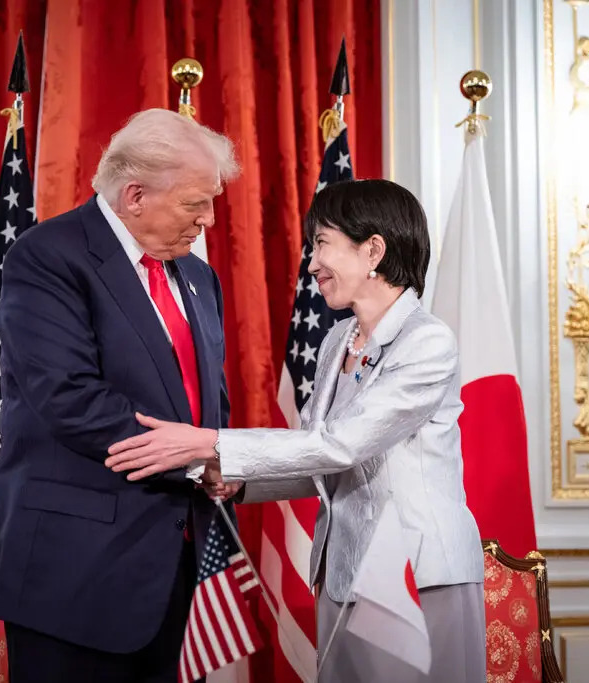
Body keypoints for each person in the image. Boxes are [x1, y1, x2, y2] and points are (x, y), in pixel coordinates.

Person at [105, 179, 487, 683]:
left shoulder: (427, 341)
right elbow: (318, 462)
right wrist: (242, 482)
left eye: (322, 244)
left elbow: (342, 444)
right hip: (341, 576)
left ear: (373, 249)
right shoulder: (336, 340)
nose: (311, 265)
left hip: (416, 577)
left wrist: (209, 442)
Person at [0, 108, 240, 682]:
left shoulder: (197, 275)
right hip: (73, 567)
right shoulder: (48, 256)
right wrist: (200, 459)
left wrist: (223, 458)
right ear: (135, 195)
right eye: (196, 203)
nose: (209, 220)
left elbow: (207, 399)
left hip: (171, 561)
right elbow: (68, 397)